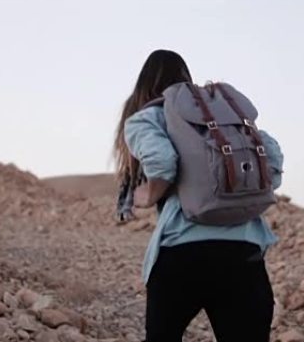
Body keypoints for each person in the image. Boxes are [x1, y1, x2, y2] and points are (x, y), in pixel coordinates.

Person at [113, 49, 284, 342]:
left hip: (181, 255)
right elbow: (273, 162)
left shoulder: (148, 116)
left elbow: (163, 163)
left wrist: (148, 194)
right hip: (244, 255)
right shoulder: (227, 117)